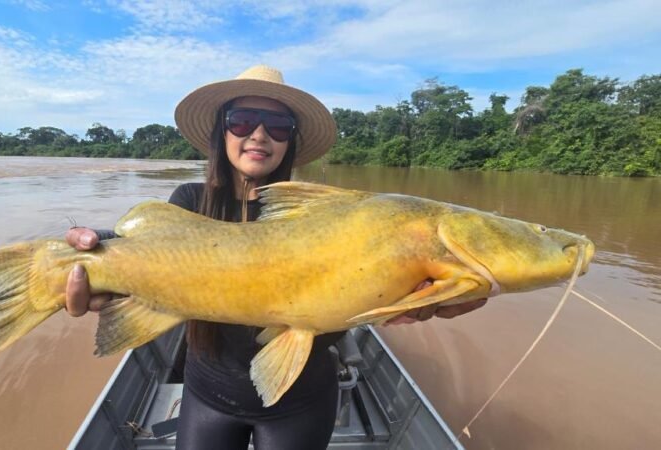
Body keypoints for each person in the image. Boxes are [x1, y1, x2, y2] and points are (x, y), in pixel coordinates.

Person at [64, 65, 487, 450]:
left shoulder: (326, 213)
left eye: (279, 125)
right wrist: (86, 252)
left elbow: (366, 281)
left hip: (301, 400)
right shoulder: (189, 201)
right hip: (207, 394)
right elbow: (142, 247)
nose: (260, 134)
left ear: (291, 140)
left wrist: (419, 295)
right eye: (242, 121)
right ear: (221, 131)